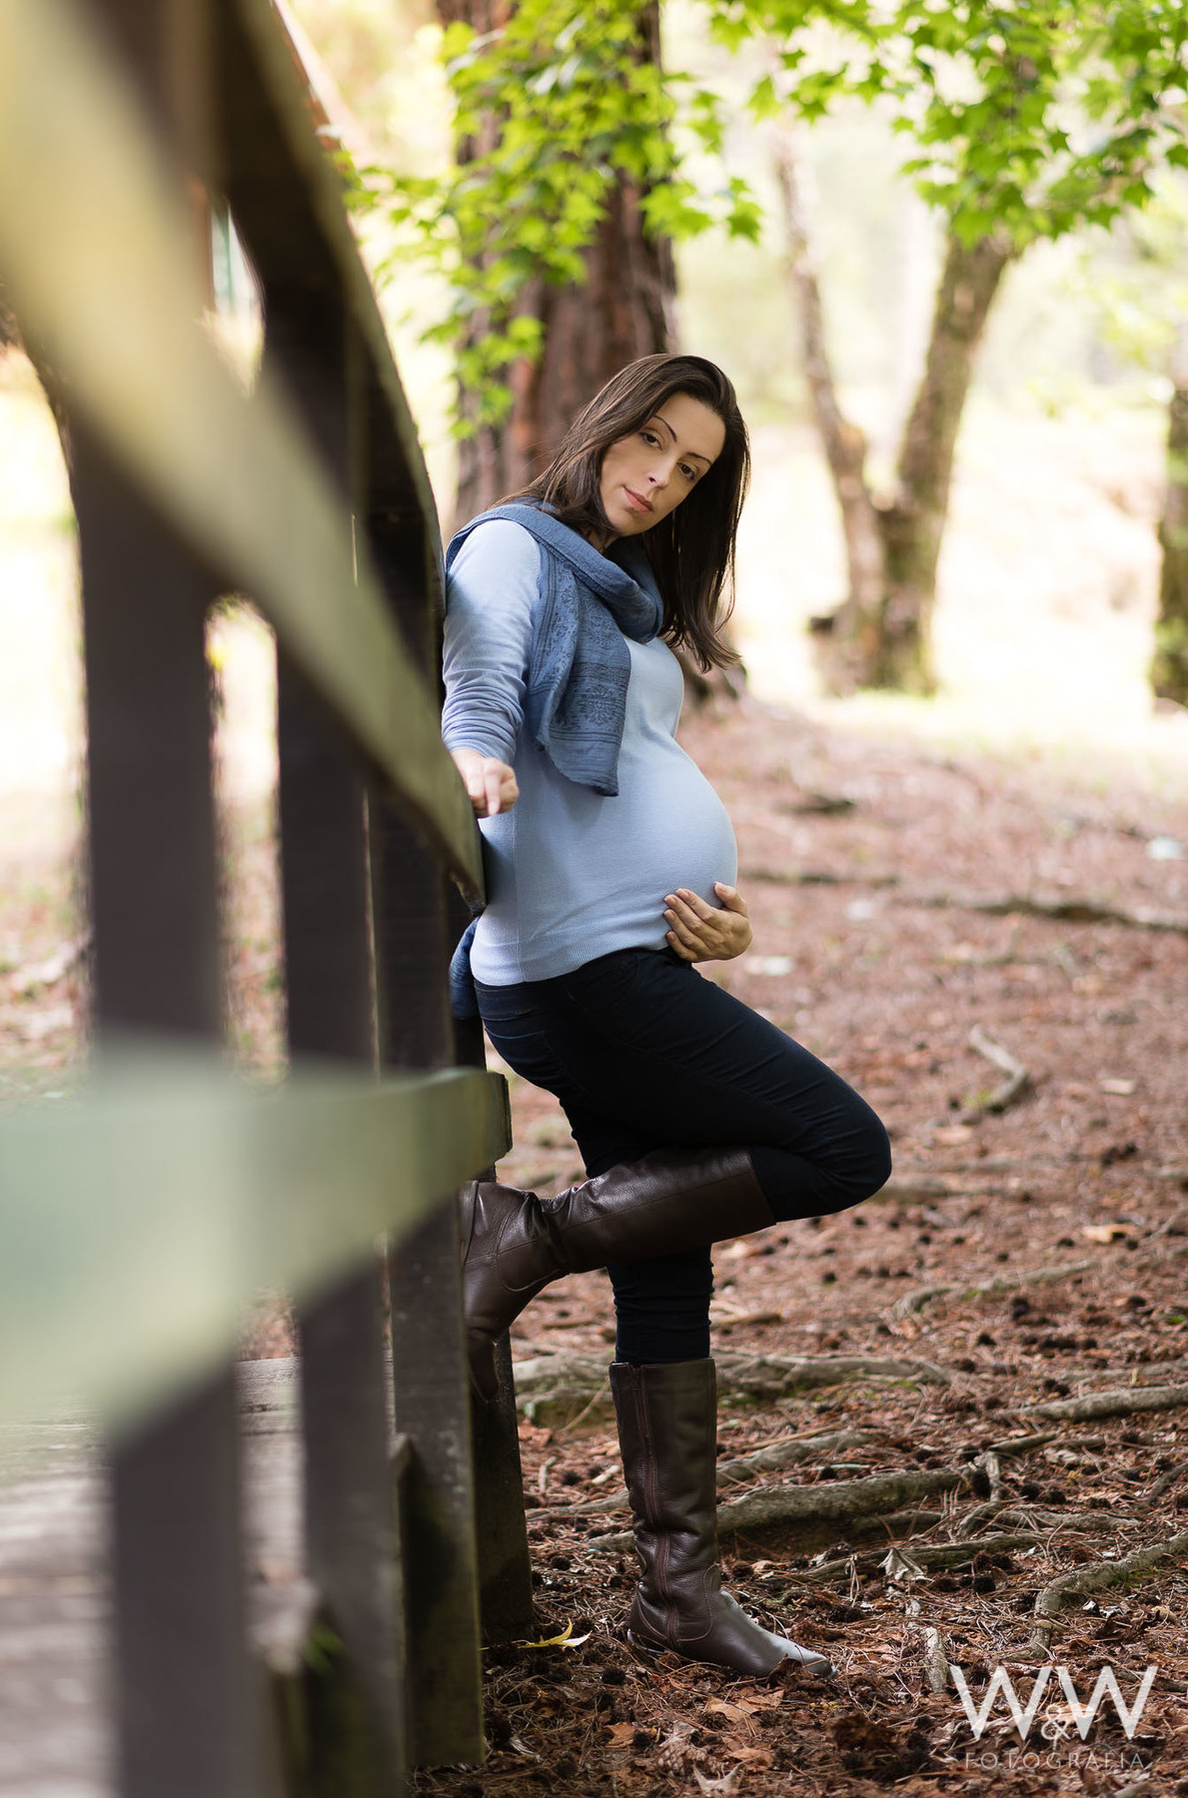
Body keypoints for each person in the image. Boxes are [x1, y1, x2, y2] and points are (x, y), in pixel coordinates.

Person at [442, 353, 890, 1678]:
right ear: (604, 425)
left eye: (691, 468)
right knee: (842, 1146)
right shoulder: (516, 548)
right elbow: (483, 678)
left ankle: (677, 1593)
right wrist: (473, 759)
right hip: (577, 974)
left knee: (667, 1253)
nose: (659, 476)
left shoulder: (620, 589)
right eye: (650, 441)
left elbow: (638, 770)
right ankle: (526, 1235)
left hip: (632, 963)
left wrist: (723, 923)